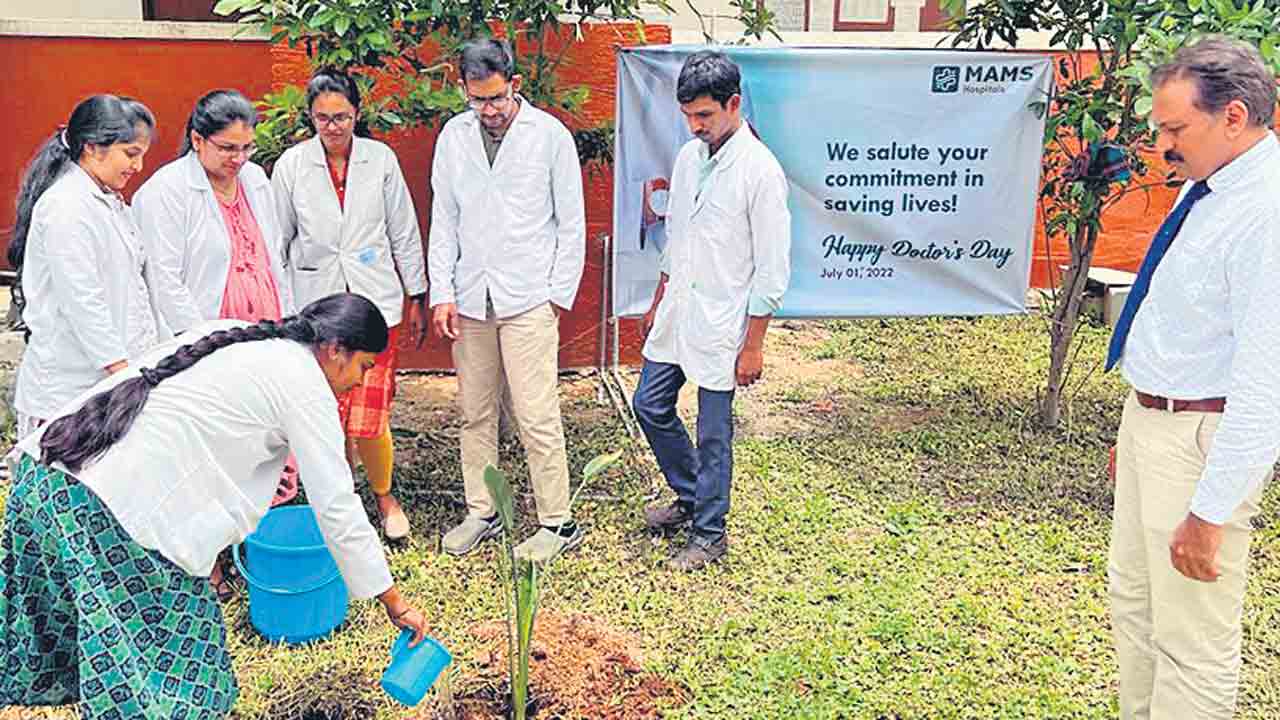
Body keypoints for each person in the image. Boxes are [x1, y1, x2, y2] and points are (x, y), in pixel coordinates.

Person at [0, 293, 429, 720]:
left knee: (123, 662)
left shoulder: (237, 336)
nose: (360, 380)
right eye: (363, 367)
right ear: (336, 350)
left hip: (48, 482)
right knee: (181, 677)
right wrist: (393, 601)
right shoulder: (304, 383)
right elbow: (337, 506)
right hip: (101, 515)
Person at [1103, 36, 1279, 719]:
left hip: (1205, 434)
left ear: (1233, 117)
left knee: (1193, 639)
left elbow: (1267, 383)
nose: (1163, 146)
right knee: (1137, 608)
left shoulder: (1264, 211)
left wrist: (1210, 512)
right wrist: (1141, 424)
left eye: (1176, 129)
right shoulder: (1208, 188)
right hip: (1156, 420)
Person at [133, 89, 300, 598]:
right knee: (210, 449)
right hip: (206, 339)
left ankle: (259, 547)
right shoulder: (165, 193)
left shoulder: (255, 179)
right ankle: (209, 559)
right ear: (197, 140)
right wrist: (206, 343)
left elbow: (272, 255)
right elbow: (164, 279)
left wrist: (287, 326)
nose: (239, 159)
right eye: (228, 148)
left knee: (263, 439)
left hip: (264, 328)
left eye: (247, 147)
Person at [428, 38, 586, 563]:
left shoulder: (550, 137)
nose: (489, 111)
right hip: (472, 297)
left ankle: (557, 522)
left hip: (529, 298)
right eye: (478, 100)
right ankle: (483, 510)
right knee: (474, 412)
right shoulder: (453, 137)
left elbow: (572, 221)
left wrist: (556, 297)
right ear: (464, 92)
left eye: (496, 98)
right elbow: (444, 218)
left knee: (536, 413)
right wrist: (443, 293)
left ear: (514, 85)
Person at [632, 51, 791, 572]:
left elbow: (772, 267)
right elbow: (676, 238)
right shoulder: (686, 160)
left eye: (705, 115)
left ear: (734, 104)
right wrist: (657, 303)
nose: (694, 125)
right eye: (688, 116)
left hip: (726, 323)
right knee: (650, 405)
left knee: (713, 432)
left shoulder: (760, 171)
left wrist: (755, 343)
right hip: (679, 310)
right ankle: (691, 494)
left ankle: (709, 533)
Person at [272, 68, 428, 541]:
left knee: (371, 413)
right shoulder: (292, 166)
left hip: (375, 302)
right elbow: (276, 242)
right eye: (323, 118)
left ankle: (384, 496)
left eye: (341, 116)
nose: (333, 126)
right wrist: (282, 314)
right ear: (310, 118)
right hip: (317, 311)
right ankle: (341, 501)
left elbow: (403, 229)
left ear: (357, 114)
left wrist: (416, 294)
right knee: (325, 412)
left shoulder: (380, 159)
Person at [8, 95, 187, 440]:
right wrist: (123, 373)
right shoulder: (67, 207)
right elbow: (83, 303)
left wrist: (164, 359)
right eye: (131, 154)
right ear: (92, 147)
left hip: (113, 383)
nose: (138, 167)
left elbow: (138, 291)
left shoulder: (108, 200)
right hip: (71, 389)